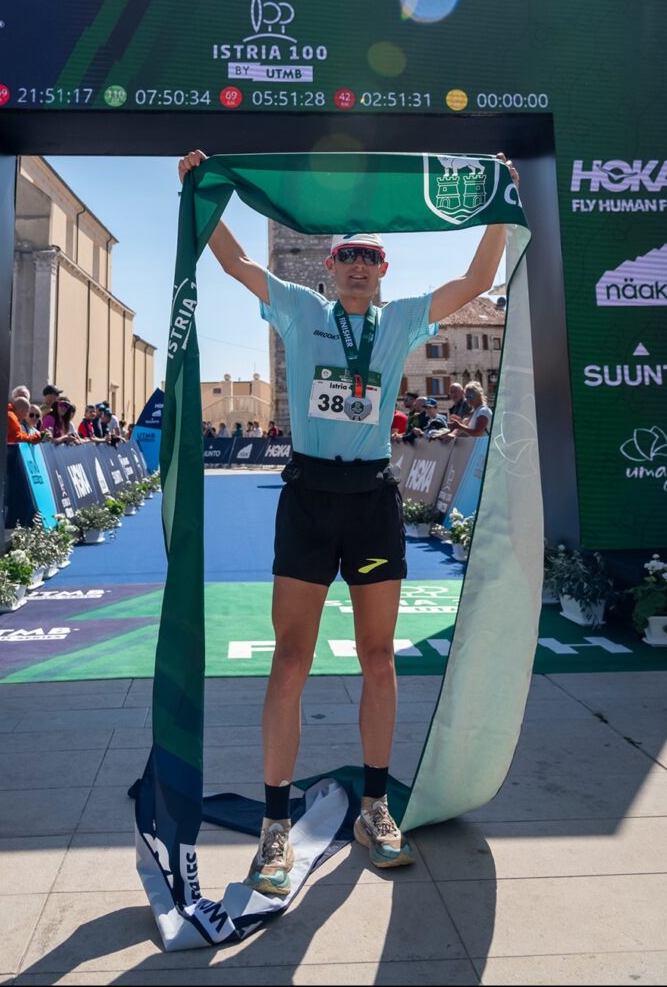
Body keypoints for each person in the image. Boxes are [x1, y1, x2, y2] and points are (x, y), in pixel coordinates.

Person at [178, 148, 518, 895]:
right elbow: (234, 263)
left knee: (377, 656)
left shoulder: (400, 321)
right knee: (291, 658)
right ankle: (275, 826)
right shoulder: (300, 310)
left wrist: (497, 206)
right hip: (308, 499)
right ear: (330, 270)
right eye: (348, 258)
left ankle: (374, 807)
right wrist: (201, 190)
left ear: (383, 271)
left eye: (370, 258)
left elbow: (473, 282)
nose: (358, 267)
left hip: (370, 503)